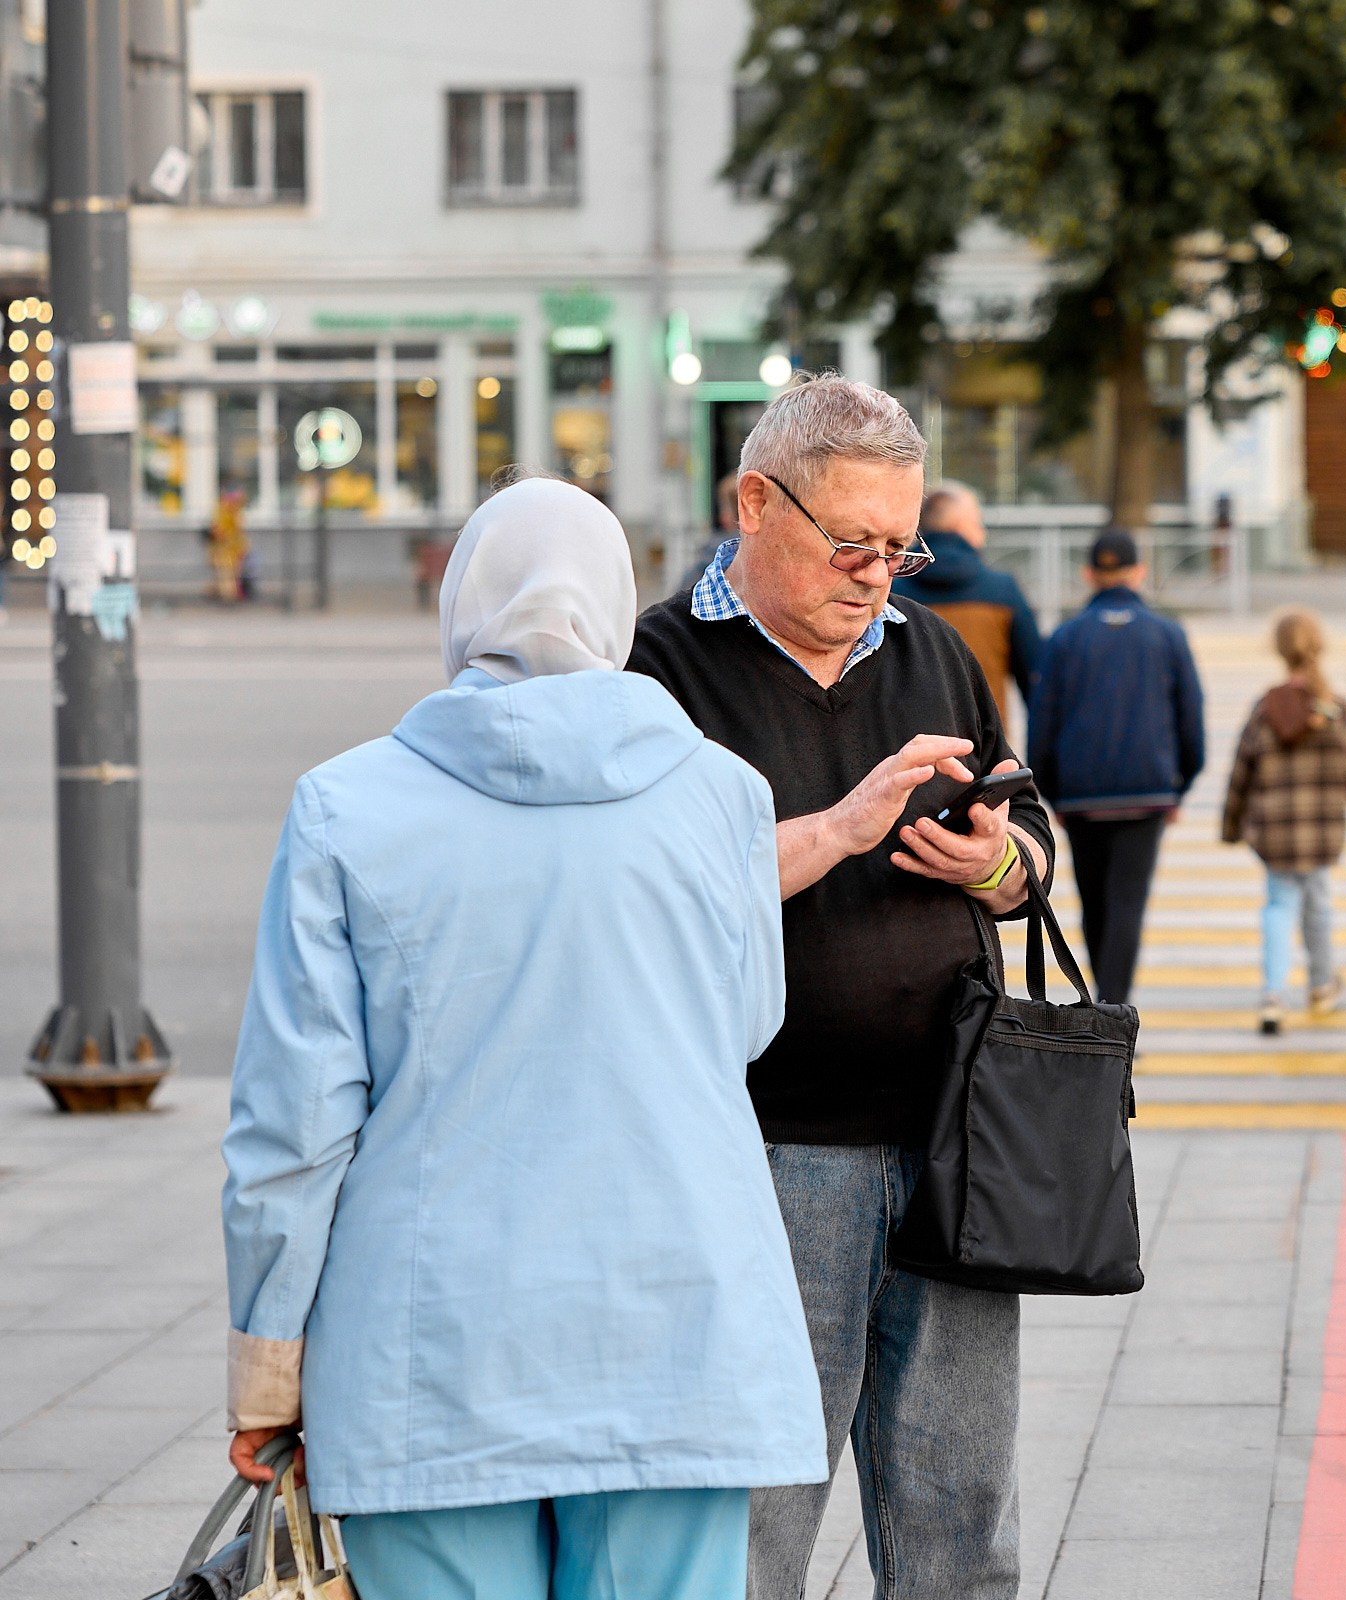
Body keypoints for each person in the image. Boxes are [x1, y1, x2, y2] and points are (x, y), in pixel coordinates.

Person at [220, 479, 823, 1600]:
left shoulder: (344, 806)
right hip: (677, 1320)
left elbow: (293, 1124)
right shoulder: (724, 795)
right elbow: (745, 1028)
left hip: (429, 1342)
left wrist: (269, 1374)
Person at [626, 376, 1055, 1600]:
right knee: (758, 1511)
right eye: (851, 543)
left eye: (900, 547)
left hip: (952, 1142)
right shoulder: (657, 668)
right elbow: (645, 893)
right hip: (766, 1152)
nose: (878, 576)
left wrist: (999, 864)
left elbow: (1035, 852)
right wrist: (845, 823)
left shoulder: (935, 656)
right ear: (756, 502)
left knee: (963, 1520)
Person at [1030, 527, 1207, 1005]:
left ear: (1089, 575)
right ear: (1140, 571)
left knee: (1094, 903)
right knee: (1128, 904)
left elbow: (1041, 723)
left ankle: (1102, 1007)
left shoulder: (1064, 638)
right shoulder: (1168, 635)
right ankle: (1114, 1008)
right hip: (1147, 791)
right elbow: (1191, 721)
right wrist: (1179, 786)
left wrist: (1052, 794)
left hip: (1082, 795)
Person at [1224, 609, 1346, 1034]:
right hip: (1324, 831)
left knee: (1278, 906)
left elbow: (1242, 770)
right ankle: (1322, 982)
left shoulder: (1265, 707)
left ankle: (1273, 995)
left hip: (1275, 834)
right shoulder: (1339, 709)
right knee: (1320, 903)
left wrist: (1231, 825)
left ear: (1278, 650)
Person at [894, 480, 1044, 720]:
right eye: (977, 523)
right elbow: (1035, 679)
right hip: (986, 748)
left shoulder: (891, 592)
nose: (982, 532)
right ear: (959, 526)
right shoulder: (1002, 591)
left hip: (908, 750)